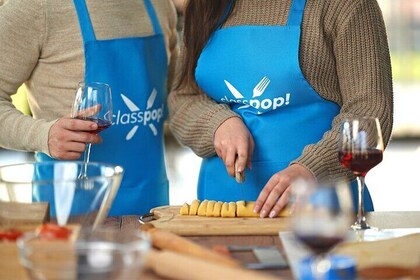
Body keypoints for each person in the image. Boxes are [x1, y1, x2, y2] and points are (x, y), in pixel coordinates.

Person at [168, 0, 393, 218]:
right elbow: (183, 98)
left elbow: (369, 111)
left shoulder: (345, 5)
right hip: (218, 213)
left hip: (321, 212)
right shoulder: (203, 5)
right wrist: (217, 123)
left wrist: (312, 169)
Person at [0, 0, 178, 215]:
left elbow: (178, 95)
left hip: (151, 206)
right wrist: (42, 135)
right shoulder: (37, 8)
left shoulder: (160, 5)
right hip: (69, 210)